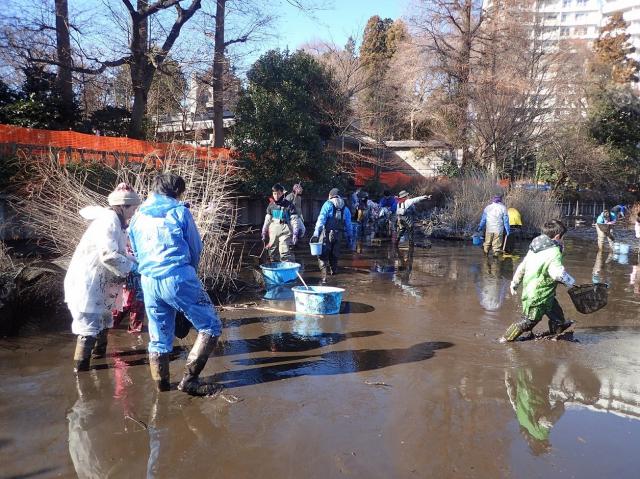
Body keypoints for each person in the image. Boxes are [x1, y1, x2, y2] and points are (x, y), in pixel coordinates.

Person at [128, 173, 222, 396]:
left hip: (149, 280)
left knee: (159, 338)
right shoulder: (180, 211)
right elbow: (195, 248)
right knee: (211, 326)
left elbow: (134, 249)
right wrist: (191, 274)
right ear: (177, 192)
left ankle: (161, 386)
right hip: (178, 276)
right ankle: (190, 380)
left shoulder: (138, 215)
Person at [64, 183, 141, 372]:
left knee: (104, 321)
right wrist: (133, 268)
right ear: (123, 206)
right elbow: (108, 255)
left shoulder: (116, 221)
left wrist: (140, 262)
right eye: (133, 208)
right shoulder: (109, 221)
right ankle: (81, 372)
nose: (134, 212)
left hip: (102, 284)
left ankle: (100, 361)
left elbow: (121, 252)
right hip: (89, 282)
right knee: (88, 327)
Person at [501, 219, 575, 342]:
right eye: (563, 238)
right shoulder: (554, 252)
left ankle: (555, 333)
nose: (563, 241)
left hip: (544, 293)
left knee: (557, 315)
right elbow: (557, 273)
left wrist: (514, 283)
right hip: (538, 295)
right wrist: (571, 282)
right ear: (557, 237)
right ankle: (505, 339)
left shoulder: (535, 248)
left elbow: (522, 266)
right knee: (530, 320)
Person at [311, 188, 353, 282]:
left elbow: (321, 220)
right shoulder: (345, 208)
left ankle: (324, 277)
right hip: (338, 235)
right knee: (334, 256)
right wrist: (350, 237)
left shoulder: (327, 204)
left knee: (322, 255)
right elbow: (349, 225)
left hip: (326, 234)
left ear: (330, 195)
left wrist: (316, 234)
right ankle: (334, 276)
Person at [261, 183, 300, 262]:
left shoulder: (289, 205)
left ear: (282, 193)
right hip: (273, 230)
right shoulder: (271, 205)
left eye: (278, 193)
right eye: (274, 193)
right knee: (272, 250)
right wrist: (264, 231)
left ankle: (286, 268)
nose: (276, 195)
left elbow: (294, 220)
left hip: (285, 230)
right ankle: (274, 265)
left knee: (284, 250)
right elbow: (267, 219)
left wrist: (295, 233)